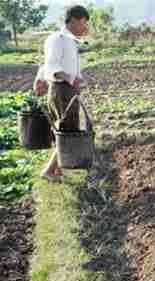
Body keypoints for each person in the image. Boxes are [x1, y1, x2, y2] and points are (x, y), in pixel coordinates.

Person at [33, 5, 89, 183]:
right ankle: (49, 171)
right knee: (67, 131)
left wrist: (75, 80)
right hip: (62, 89)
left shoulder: (68, 40)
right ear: (73, 20)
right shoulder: (58, 38)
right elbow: (52, 65)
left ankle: (55, 169)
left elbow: (47, 64)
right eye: (84, 23)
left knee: (65, 129)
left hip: (67, 89)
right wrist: (71, 79)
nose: (85, 28)